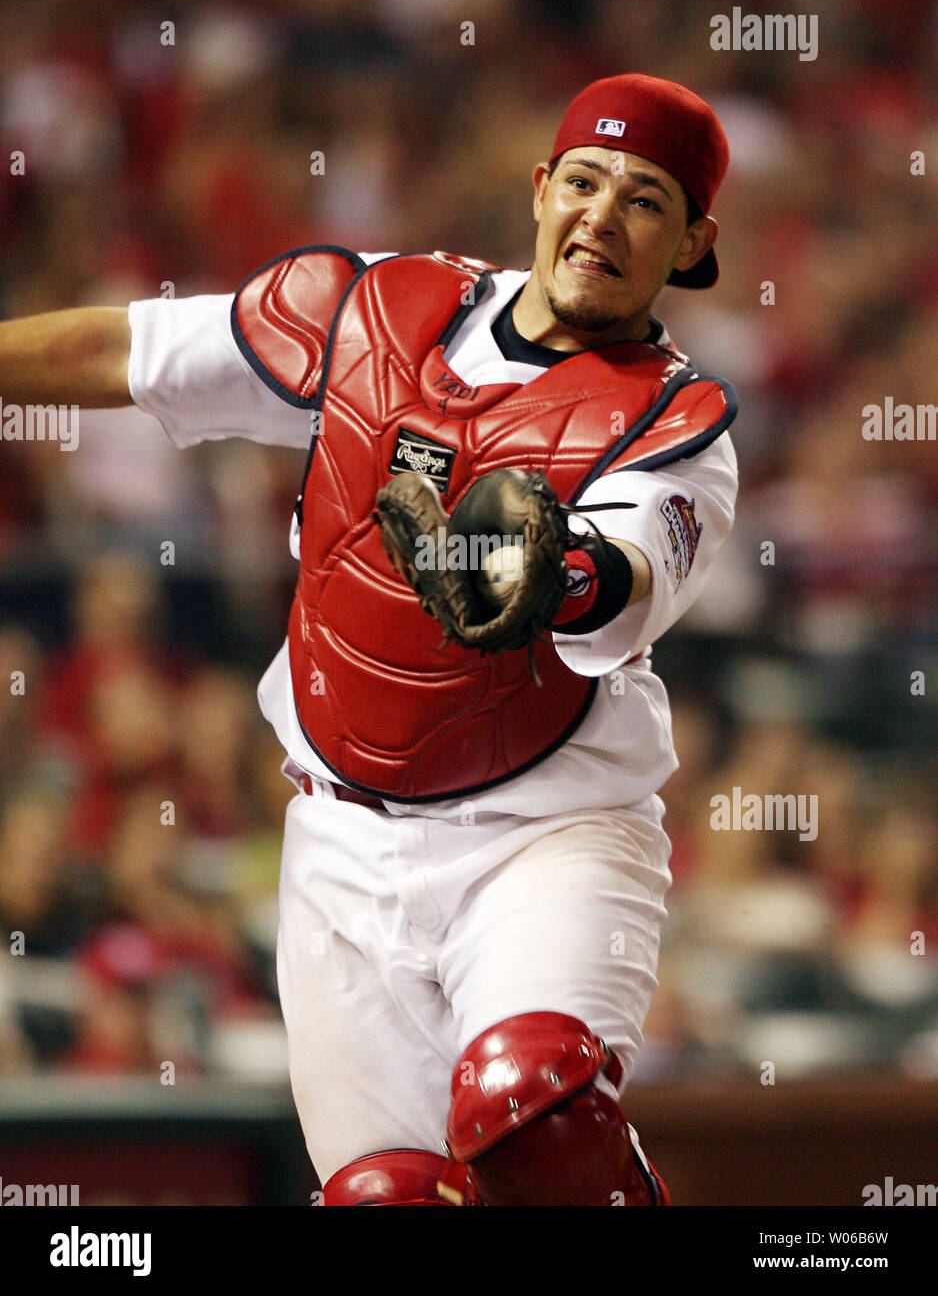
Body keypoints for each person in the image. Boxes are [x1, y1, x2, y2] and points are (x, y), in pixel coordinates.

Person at [0, 74, 737, 1205]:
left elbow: (628, 571)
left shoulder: (677, 426)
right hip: (340, 843)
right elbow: (125, 354)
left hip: (543, 832)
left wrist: (547, 572)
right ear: (539, 190)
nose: (601, 214)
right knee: (382, 1198)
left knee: (526, 1098)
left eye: (644, 200)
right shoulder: (371, 313)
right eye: (582, 181)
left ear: (692, 241)